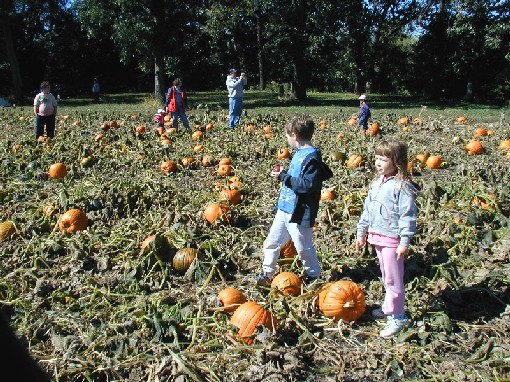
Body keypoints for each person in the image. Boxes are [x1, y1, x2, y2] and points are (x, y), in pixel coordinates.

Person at [256, 114, 333, 287]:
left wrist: (284, 176)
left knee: (303, 247)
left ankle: (314, 277)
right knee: (271, 242)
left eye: (287, 136)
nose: (287, 140)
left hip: (299, 212)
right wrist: (283, 176)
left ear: (294, 135)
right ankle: (267, 274)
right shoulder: (299, 154)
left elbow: (307, 185)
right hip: (285, 209)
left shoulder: (312, 158)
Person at [355, 139, 420, 338]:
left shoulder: (402, 187)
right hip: (377, 237)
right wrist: (361, 232)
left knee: (394, 279)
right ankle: (388, 307)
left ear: (397, 162)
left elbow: (408, 216)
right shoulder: (377, 183)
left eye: (383, 159)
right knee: (385, 275)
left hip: (392, 239)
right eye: (376, 158)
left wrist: (404, 241)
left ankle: (398, 316)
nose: (378, 163)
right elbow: (368, 210)